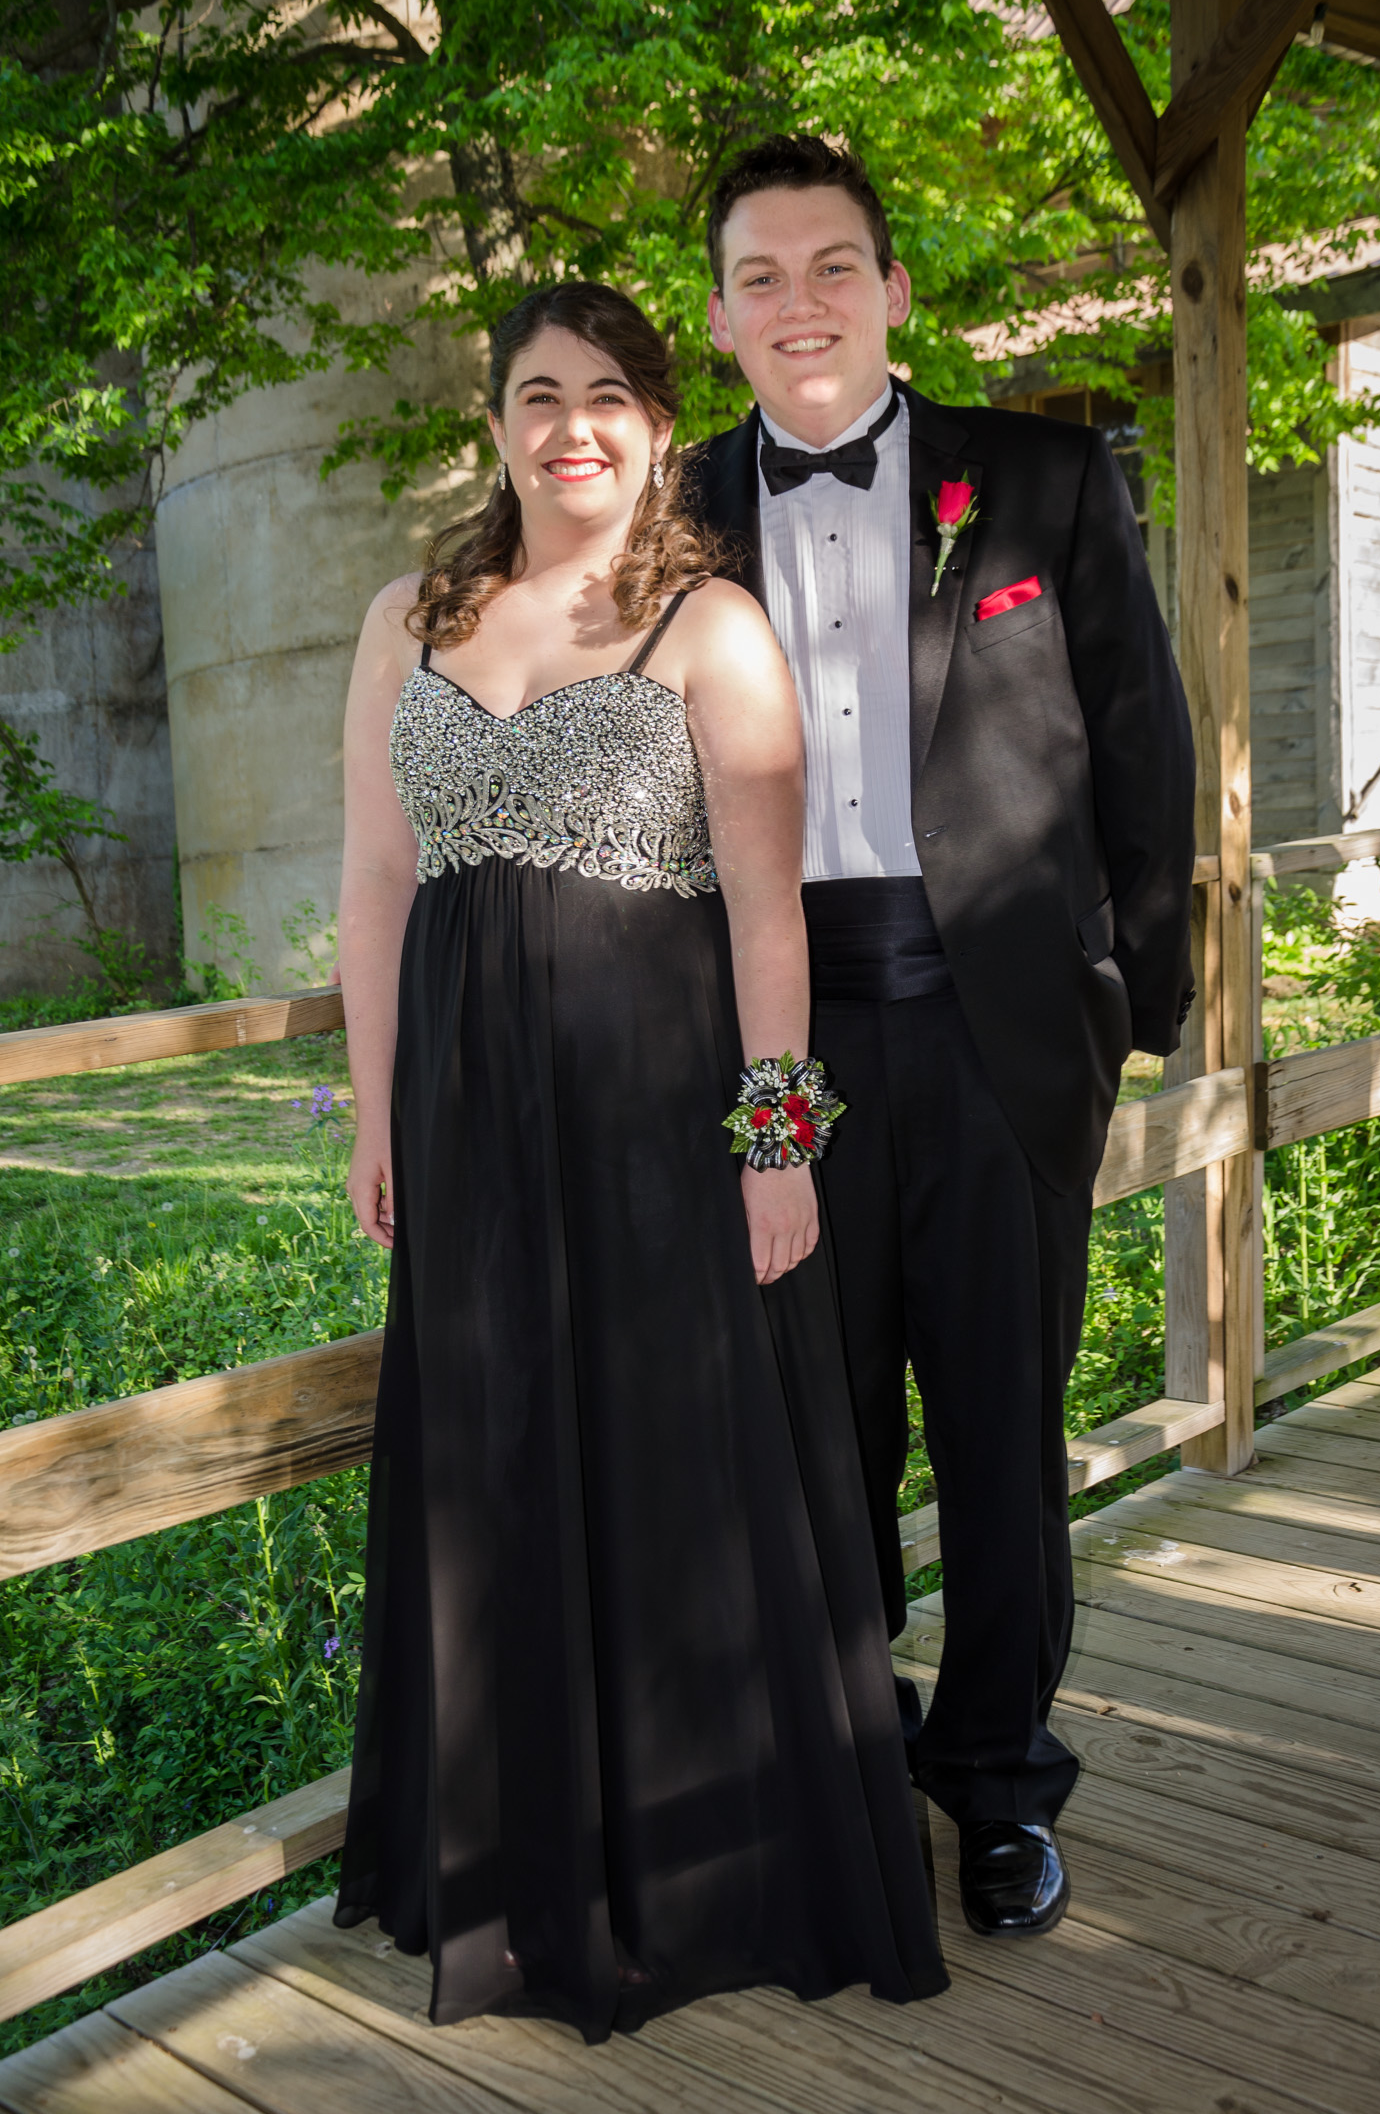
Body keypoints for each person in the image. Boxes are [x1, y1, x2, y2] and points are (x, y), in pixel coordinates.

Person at [331, 280, 947, 2040]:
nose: (571, 426)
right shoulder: (407, 620)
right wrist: (376, 1114)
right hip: (464, 1121)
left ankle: (694, 1872)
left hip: (659, 1123)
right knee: (496, 1463)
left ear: (660, 426)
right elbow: (375, 883)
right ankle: (510, 1874)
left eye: (607, 394)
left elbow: (769, 917)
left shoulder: (709, 624)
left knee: (674, 1460)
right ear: (497, 423)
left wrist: (778, 1146)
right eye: (538, 394)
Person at [690, 136, 1195, 1938]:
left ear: (894, 289)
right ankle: (846, 1765)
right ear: (721, 319)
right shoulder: (672, 515)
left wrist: (1137, 1010)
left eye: (834, 265)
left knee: (998, 1437)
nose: (801, 303)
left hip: (1003, 1049)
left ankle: (995, 1786)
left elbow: (1142, 740)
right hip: (774, 1050)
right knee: (807, 1434)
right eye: (761, 276)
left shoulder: (1041, 480)